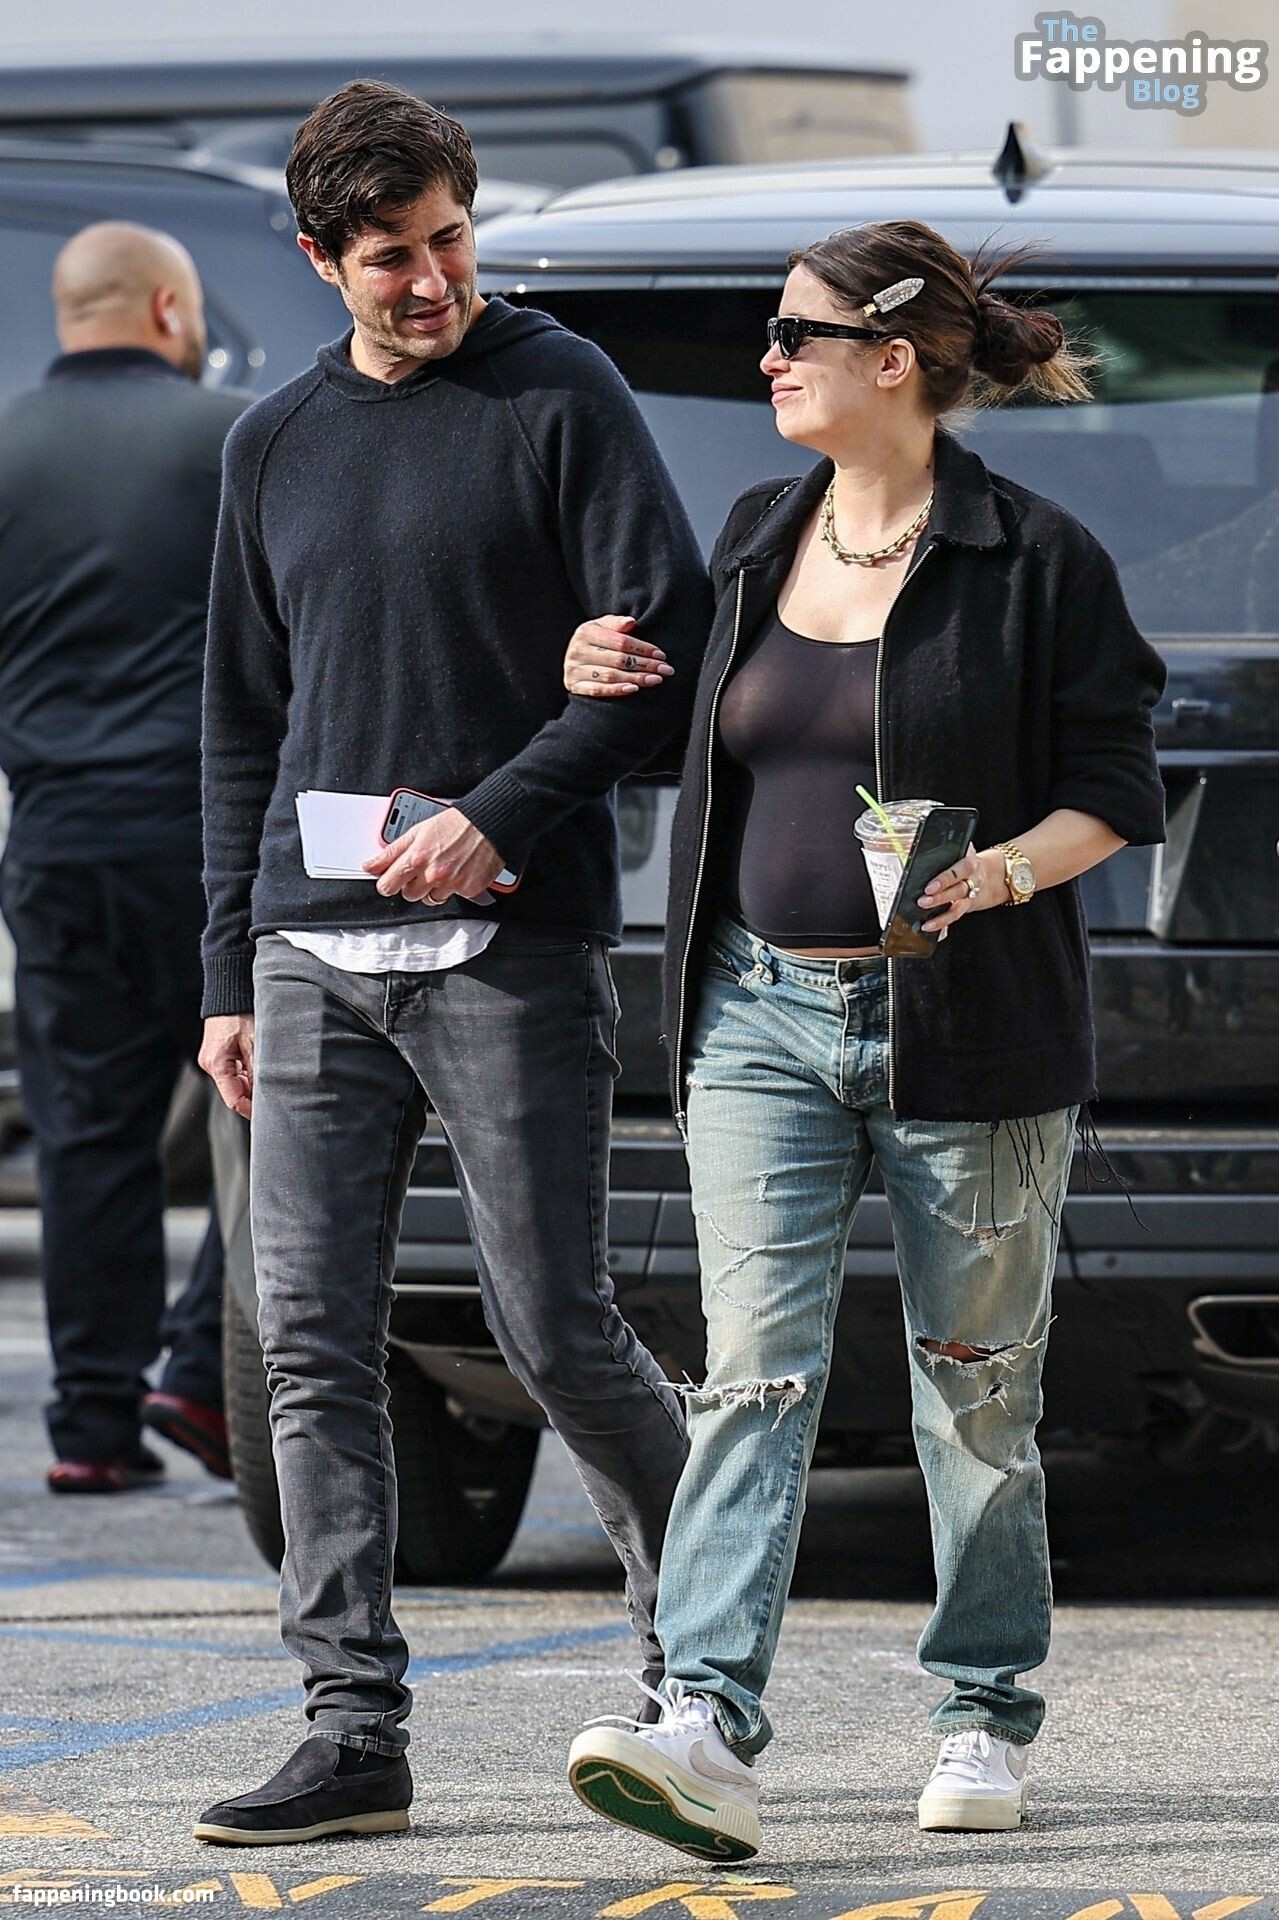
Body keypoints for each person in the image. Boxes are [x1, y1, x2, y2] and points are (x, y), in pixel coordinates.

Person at [561, 219, 1167, 1857]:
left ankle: (980, 1709)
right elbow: (700, 731)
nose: (766, 359)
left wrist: (1000, 871)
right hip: (754, 1010)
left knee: (969, 1393)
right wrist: (601, 666)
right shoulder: (756, 535)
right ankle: (702, 1722)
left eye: (796, 336)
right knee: (750, 1375)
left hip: (962, 1027)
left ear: (889, 361)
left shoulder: (1030, 559)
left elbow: (1116, 788)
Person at [193, 80, 710, 1847]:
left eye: (449, 241)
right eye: (390, 257)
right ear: (315, 257)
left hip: (509, 944)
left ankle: (701, 1667)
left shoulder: (557, 391)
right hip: (308, 950)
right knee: (306, 1342)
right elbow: (239, 720)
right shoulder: (271, 442)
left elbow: (662, 651)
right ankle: (351, 1729)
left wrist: (500, 812)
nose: (432, 282)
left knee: (553, 1325)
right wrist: (225, 967)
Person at [0, 222, 242, 1494]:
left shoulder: (6, 446)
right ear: (166, 308)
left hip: (57, 839)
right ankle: (200, 1368)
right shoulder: (235, 438)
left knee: (86, 1136)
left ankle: (92, 1430)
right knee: (277, 1111)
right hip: (210, 844)